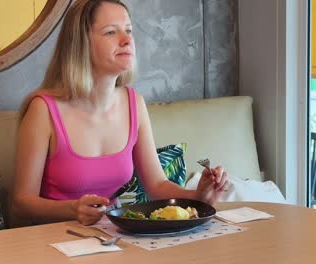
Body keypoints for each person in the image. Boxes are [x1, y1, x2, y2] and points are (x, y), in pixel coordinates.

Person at [13, 0, 228, 226]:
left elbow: (157, 186)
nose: (127, 40)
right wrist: (73, 209)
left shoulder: (134, 103)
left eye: (128, 30)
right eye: (110, 32)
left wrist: (199, 197)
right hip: (51, 242)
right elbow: (21, 203)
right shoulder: (43, 110)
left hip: (110, 237)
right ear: (81, 44)